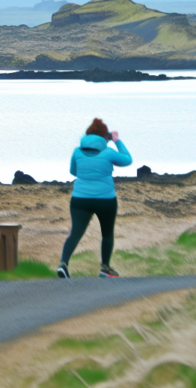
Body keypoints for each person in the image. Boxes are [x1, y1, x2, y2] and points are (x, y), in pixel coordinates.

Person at [57, 118, 132, 280]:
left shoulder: (77, 151)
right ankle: (105, 268)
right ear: (106, 137)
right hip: (105, 200)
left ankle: (63, 264)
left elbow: (73, 172)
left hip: (80, 200)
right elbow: (127, 160)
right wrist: (117, 141)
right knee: (107, 234)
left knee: (75, 234)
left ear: (87, 135)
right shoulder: (108, 152)